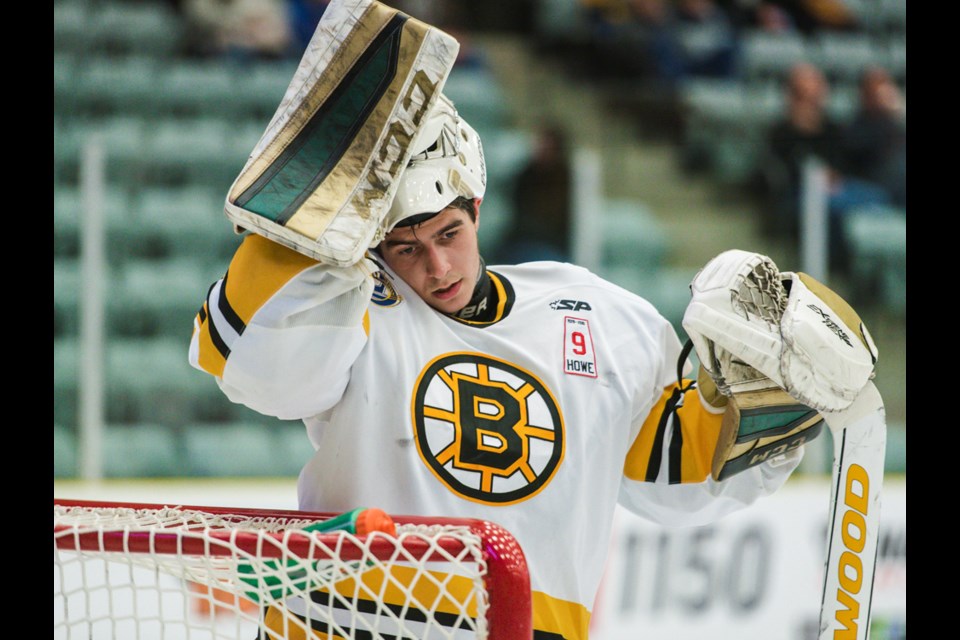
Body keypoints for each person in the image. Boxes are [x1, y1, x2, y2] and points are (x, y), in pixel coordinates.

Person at [187, 7, 872, 636]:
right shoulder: (354, 303)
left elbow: (682, 473)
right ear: (373, 244)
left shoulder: (602, 318)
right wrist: (317, 205)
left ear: (477, 207)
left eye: (449, 234)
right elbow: (257, 369)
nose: (435, 265)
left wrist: (781, 387)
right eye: (405, 246)